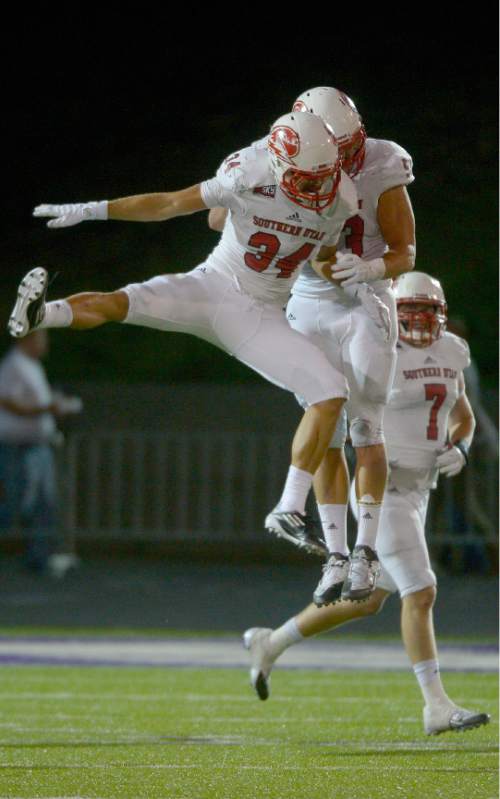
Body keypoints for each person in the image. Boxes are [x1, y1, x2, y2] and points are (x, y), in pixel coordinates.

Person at [9, 111, 384, 597]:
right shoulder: (248, 168)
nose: (316, 186)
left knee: (331, 390)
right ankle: (42, 315)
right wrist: (96, 208)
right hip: (212, 288)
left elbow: (319, 255)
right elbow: (170, 204)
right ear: (278, 162)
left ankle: (287, 507)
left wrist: (352, 270)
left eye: (322, 175)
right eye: (305, 176)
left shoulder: (340, 197)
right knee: (124, 301)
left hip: (262, 312)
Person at [243, 272, 491, 736]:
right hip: (384, 488)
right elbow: (336, 422)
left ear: (441, 313)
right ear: (392, 314)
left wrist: (461, 447)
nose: (418, 320)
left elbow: (464, 416)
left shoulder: (453, 350)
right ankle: (435, 706)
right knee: (421, 591)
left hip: (421, 490)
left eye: (427, 310)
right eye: (409, 310)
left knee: (369, 601)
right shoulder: (373, 352)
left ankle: (269, 643)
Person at [209, 87, 416, 601]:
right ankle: (335, 556)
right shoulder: (273, 156)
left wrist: (370, 268)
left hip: (364, 298)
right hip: (306, 299)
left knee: (367, 428)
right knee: (326, 429)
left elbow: (405, 250)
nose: (344, 158)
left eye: (349, 145)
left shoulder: (381, 162)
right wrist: (250, 187)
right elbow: (217, 217)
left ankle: (366, 555)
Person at [0, 330, 82, 573]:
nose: (45, 344)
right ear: (28, 340)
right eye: (42, 339)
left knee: (43, 502)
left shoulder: (31, 365)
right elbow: (8, 401)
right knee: (16, 502)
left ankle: (39, 556)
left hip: (36, 444)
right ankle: (38, 554)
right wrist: (46, 408)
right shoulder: (14, 365)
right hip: (18, 445)